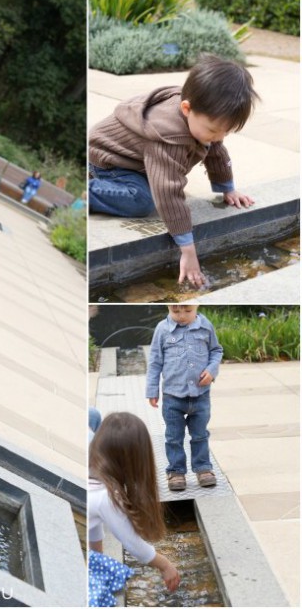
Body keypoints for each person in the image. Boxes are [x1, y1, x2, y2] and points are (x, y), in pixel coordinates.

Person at [88, 54, 259, 288]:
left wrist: (227, 188)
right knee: (143, 200)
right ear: (186, 108)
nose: (218, 138)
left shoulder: (202, 111)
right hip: (111, 161)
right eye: (213, 130)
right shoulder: (168, 135)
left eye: (225, 133)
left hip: (139, 161)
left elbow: (216, 151)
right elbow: (168, 192)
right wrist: (188, 250)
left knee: (180, 167)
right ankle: (90, 191)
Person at [88, 412, 180, 607]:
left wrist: (97, 558)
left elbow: (92, 522)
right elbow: (132, 543)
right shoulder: (107, 497)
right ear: (137, 460)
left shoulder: (92, 471)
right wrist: (165, 565)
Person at [146, 304, 223, 491]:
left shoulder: (205, 326)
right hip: (173, 396)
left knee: (200, 435)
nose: (181, 316)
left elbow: (216, 351)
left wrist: (212, 371)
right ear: (168, 308)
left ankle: (203, 468)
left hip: (200, 396)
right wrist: (152, 390)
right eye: (175, 311)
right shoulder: (162, 329)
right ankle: (176, 471)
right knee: (173, 437)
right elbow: (155, 361)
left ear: (196, 306)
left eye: (188, 311)